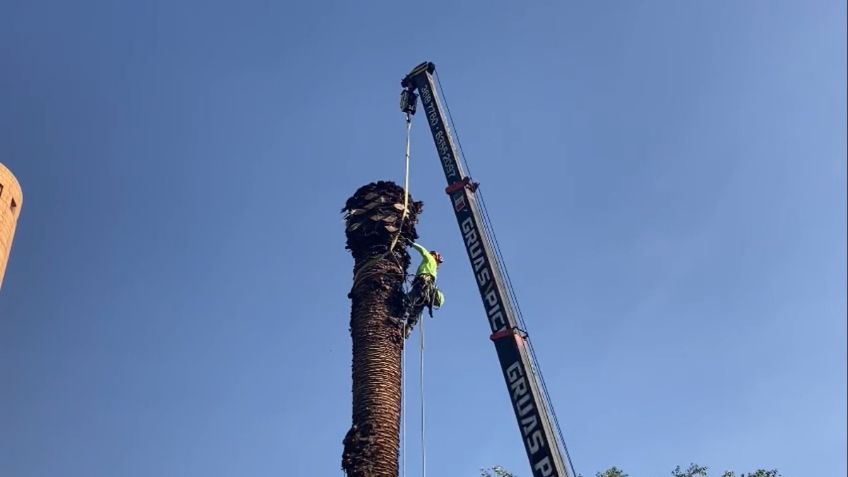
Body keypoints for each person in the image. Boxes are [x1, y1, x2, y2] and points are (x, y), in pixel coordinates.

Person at [404, 241, 445, 338]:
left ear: (434, 256)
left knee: (409, 300)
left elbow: (423, 251)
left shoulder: (430, 259)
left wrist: (411, 243)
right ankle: (408, 329)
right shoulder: (434, 270)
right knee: (417, 310)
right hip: (427, 293)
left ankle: (400, 317)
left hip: (422, 284)